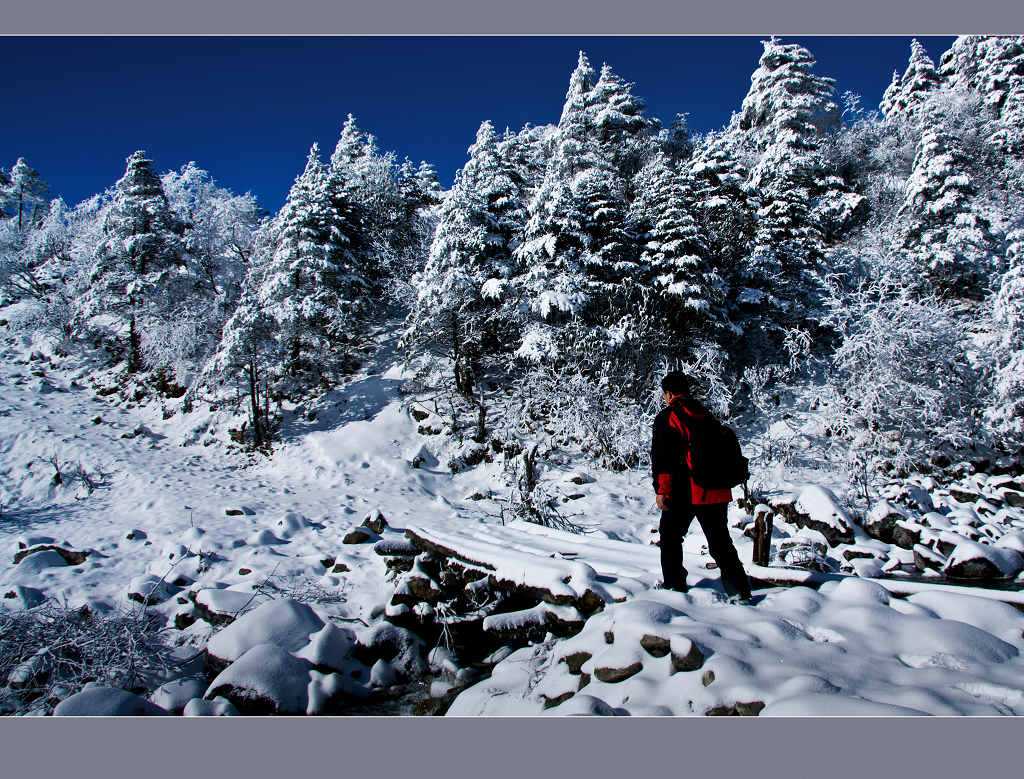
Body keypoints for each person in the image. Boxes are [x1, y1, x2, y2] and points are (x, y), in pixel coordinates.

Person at [651, 371, 752, 603]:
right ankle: (739, 591)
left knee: (670, 537)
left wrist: (662, 490)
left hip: (684, 491)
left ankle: (674, 585)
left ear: (668, 394)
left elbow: (663, 459)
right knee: (720, 541)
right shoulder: (706, 415)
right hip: (716, 489)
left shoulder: (668, 417)